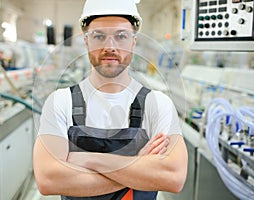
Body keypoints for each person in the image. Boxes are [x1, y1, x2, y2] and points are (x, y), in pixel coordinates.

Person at [33, 0, 188, 199]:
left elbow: (173, 177)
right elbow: (49, 180)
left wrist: (89, 160)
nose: (110, 46)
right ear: (86, 41)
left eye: (121, 36)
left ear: (133, 42)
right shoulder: (60, 102)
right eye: (99, 36)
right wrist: (137, 166)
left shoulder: (157, 104)